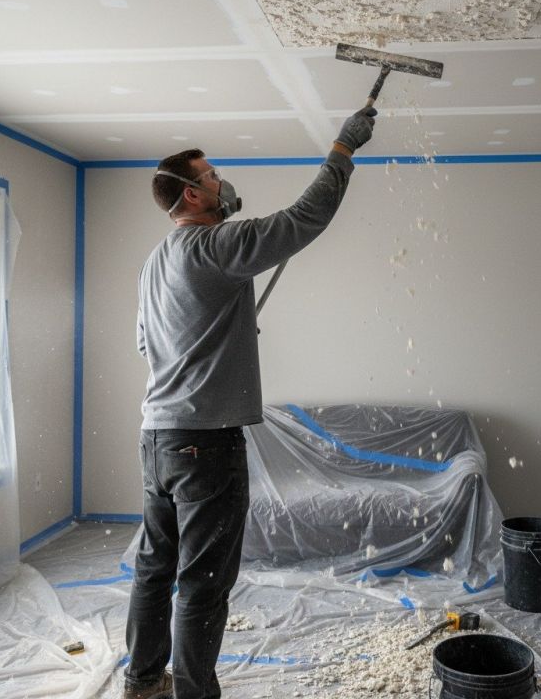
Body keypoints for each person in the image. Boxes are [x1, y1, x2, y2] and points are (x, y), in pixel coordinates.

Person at [124, 106, 378, 699]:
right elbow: (305, 217)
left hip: (157, 437)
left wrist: (217, 329)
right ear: (190, 194)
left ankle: (141, 683)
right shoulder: (216, 244)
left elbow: (146, 342)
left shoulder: (155, 260)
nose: (222, 182)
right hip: (205, 443)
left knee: (154, 568)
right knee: (203, 581)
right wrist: (343, 148)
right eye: (212, 176)